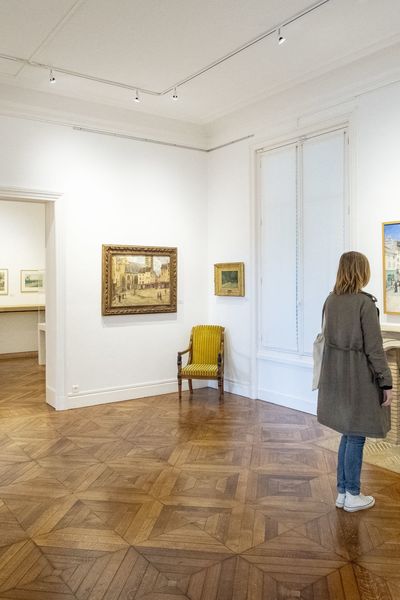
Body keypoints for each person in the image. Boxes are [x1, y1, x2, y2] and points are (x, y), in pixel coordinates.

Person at [317, 251, 392, 512]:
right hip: (359, 377)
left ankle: (342, 492)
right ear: (361, 271)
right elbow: (375, 349)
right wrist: (386, 383)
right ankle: (353, 493)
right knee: (356, 436)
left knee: (348, 434)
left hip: (335, 375)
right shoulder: (365, 304)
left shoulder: (330, 300)